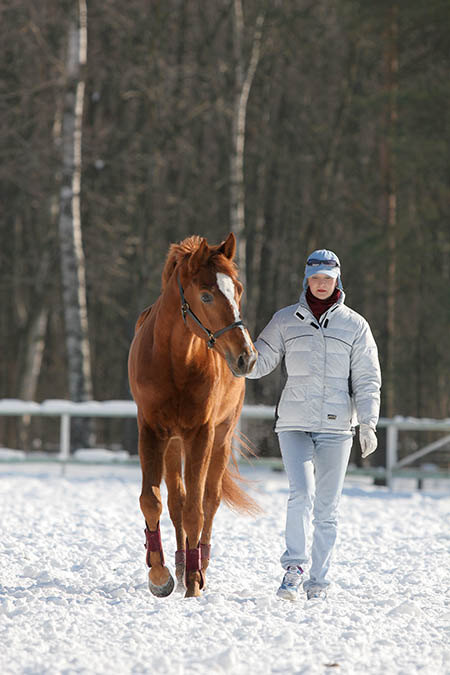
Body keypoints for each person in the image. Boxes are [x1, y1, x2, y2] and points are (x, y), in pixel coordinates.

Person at [247, 249, 381, 601]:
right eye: (315, 278)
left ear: (337, 281)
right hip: (293, 424)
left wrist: (368, 422)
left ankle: (319, 581)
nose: (321, 284)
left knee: (326, 506)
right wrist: (233, 353)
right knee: (300, 495)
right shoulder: (284, 320)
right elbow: (259, 363)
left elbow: (368, 379)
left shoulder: (355, 325)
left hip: (337, 428)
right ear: (306, 280)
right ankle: (293, 569)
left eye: (328, 279)